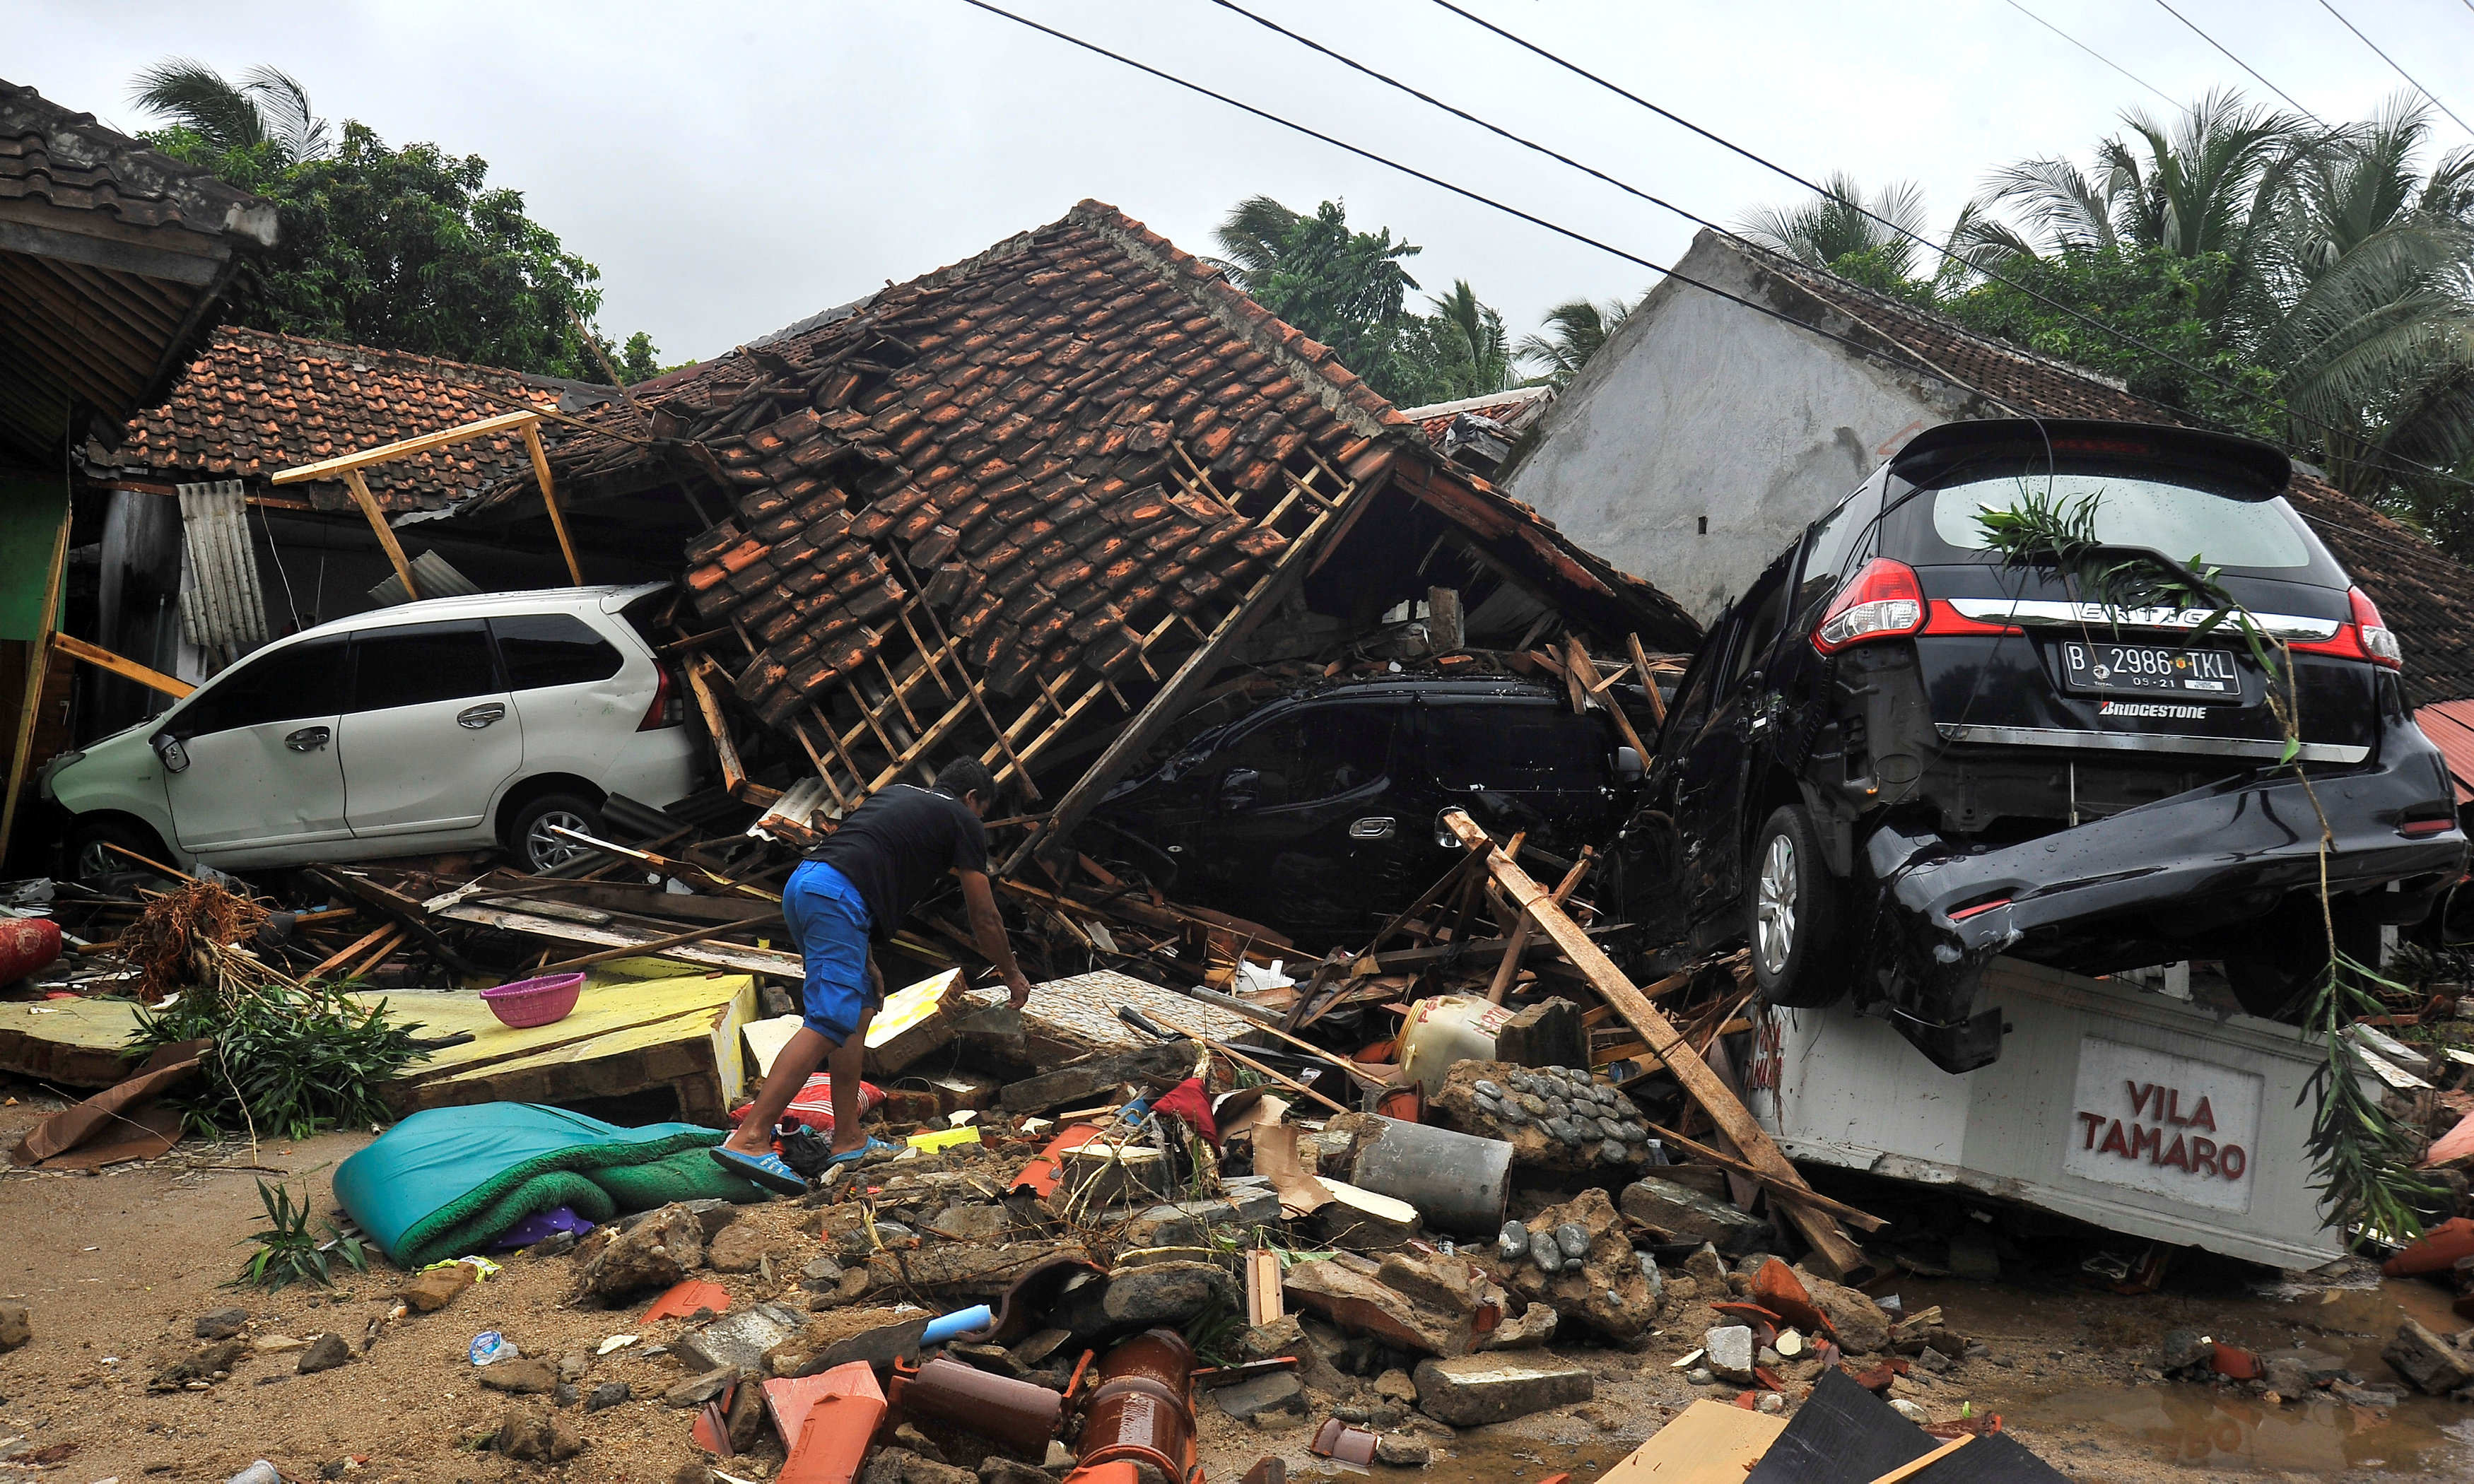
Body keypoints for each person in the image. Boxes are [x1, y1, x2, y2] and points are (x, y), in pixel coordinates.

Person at [714, 757, 1034, 1192]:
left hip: (807, 885)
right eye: (981, 810)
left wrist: (865, 960)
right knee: (828, 1021)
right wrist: (1012, 972)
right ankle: (750, 1138)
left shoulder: (896, 794)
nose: (978, 819)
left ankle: (848, 1138)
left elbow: (859, 859)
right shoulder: (963, 819)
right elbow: (984, 914)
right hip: (835, 898)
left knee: (859, 1006)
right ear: (973, 798)